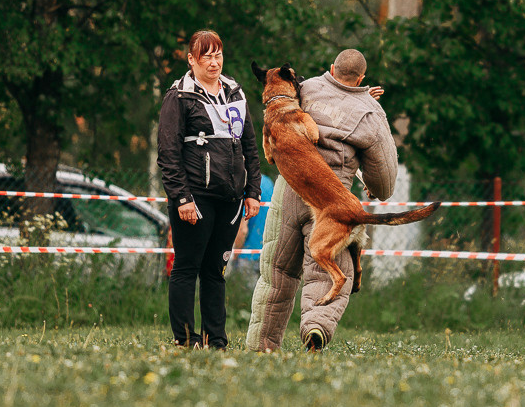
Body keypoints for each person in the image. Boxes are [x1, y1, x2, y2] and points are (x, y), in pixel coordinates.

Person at [246, 49, 395, 352]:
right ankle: (316, 328)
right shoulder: (370, 113)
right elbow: (384, 178)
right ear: (362, 78)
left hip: (288, 190)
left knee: (276, 273)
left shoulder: (306, 87)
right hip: (332, 197)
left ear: (330, 68)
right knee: (323, 272)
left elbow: (279, 105)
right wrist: (376, 190)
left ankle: (261, 345)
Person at [158, 30, 261, 348]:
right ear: (192, 59)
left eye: (218, 55)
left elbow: (250, 146)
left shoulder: (235, 92)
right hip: (194, 198)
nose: (214, 62)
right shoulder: (179, 95)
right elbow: (168, 152)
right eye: (206, 56)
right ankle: (186, 339)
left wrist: (252, 191)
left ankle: (216, 340)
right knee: (187, 268)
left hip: (230, 198)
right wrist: (182, 198)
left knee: (216, 271)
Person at [229, 172, 274, 284]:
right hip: (268, 253)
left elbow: (242, 230)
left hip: (246, 256)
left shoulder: (244, 184)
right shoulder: (267, 181)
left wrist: (233, 256)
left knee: (245, 298)